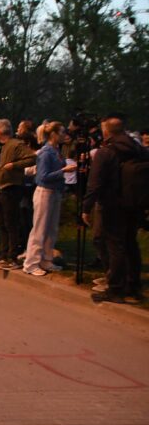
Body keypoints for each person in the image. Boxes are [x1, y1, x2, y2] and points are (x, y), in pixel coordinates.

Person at [82, 116, 145, 303]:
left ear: (107, 131)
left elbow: (95, 183)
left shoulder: (106, 152)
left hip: (112, 204)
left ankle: (115, 288)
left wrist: (86, 207)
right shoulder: (138, 149)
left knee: (115, 246)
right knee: (131, 244)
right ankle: (133, 285)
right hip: (135, 203)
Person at [23, 122, 75, 276]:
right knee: (39, 229)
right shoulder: (46, 152)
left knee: (51, 229)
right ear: (53, 134)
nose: (65, 135)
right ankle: (31, 263)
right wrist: (63, 171)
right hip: (45, 192)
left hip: (55, 191)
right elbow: (42, 176)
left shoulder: (56, 150)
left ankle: (46, 258)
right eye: (62, 132)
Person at [0, 119, 36, 269]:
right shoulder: (2, 148)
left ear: (0, 131)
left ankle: (13, 256)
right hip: (1, 190)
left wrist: (14, 166)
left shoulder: (16, 144)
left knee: (11, 224)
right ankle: (4, 253)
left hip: (11, 189)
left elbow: (32, 157)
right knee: (3, 223)